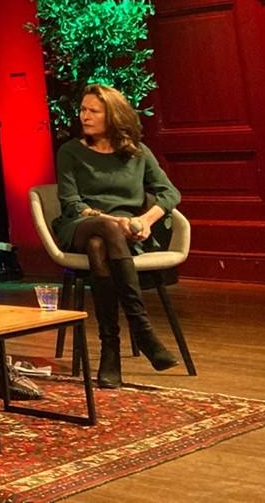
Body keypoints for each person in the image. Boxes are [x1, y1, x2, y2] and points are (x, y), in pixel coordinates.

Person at [53, 84, 182, 388]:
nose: (84, 116)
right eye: (82, 109)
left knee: (101, 247)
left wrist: (145, 220)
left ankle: (110, 348)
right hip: (80, 226)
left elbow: (169, 192)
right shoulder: (70, 151)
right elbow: (72, 204)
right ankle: (143, 330)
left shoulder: (137, 152)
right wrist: (117, 221)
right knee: (103, 232)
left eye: (93, 111)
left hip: (123, 237)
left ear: (112, 115)